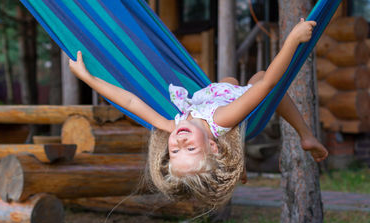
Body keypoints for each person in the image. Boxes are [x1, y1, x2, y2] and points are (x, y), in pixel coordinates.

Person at [69, 18, 328, 207]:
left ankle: (239, 164)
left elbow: (130, 101)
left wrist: (89, 78)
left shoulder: (174, 126)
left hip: (215, 91)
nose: (180, 142)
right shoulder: (223, 120)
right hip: (233, 101)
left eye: (174, 151)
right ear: (213, 147)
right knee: (261, 79)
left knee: (229, 79)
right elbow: (272, 82)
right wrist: (293, 39)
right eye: (190, 149)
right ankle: (306, 135)